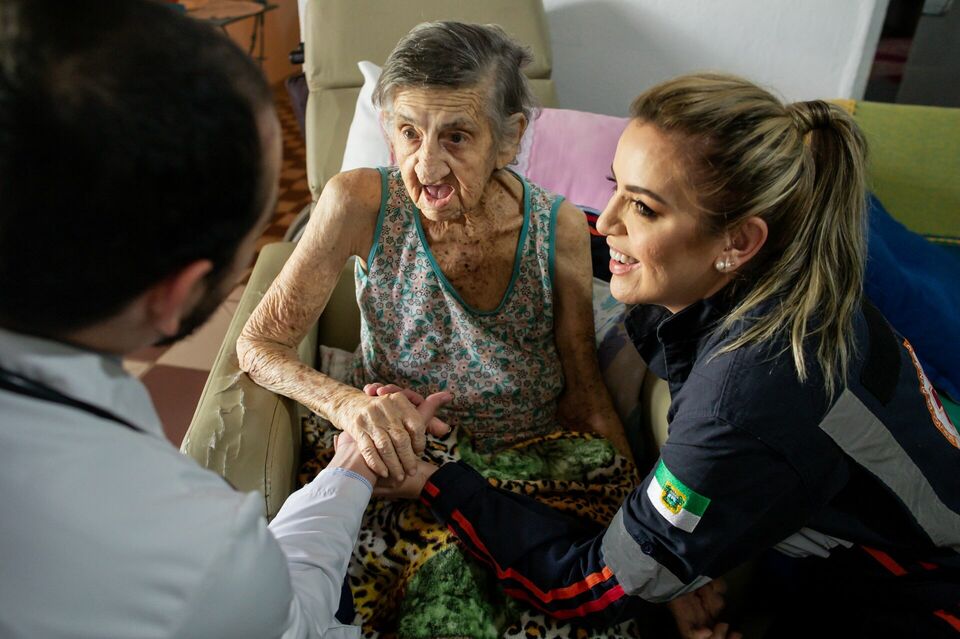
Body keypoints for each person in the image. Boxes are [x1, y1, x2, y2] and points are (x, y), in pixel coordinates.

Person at [369, 73, 960, 638]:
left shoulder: (744, 400)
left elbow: (589, 586)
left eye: (644, 208)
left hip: (920, 601)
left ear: (738, 241)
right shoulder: (789, 276)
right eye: (614, 186)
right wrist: (503, 214)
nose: (609, 219)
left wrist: (436, 483)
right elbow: (581, 235)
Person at [0, 1, 418, 636]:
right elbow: (294, 621)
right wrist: (350, 470)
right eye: (250, 250)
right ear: (175, 294)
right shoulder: (194, 554)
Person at [237, 21, 637, 638]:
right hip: (407, 466)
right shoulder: (359, 201)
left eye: (456, 136)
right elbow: (258, 343)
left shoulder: (556, 227)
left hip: (532, 469)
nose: (426, 164)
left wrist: (653, 549)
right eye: (409, 133)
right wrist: (349, 406)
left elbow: (584, 391)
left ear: (509, 138)